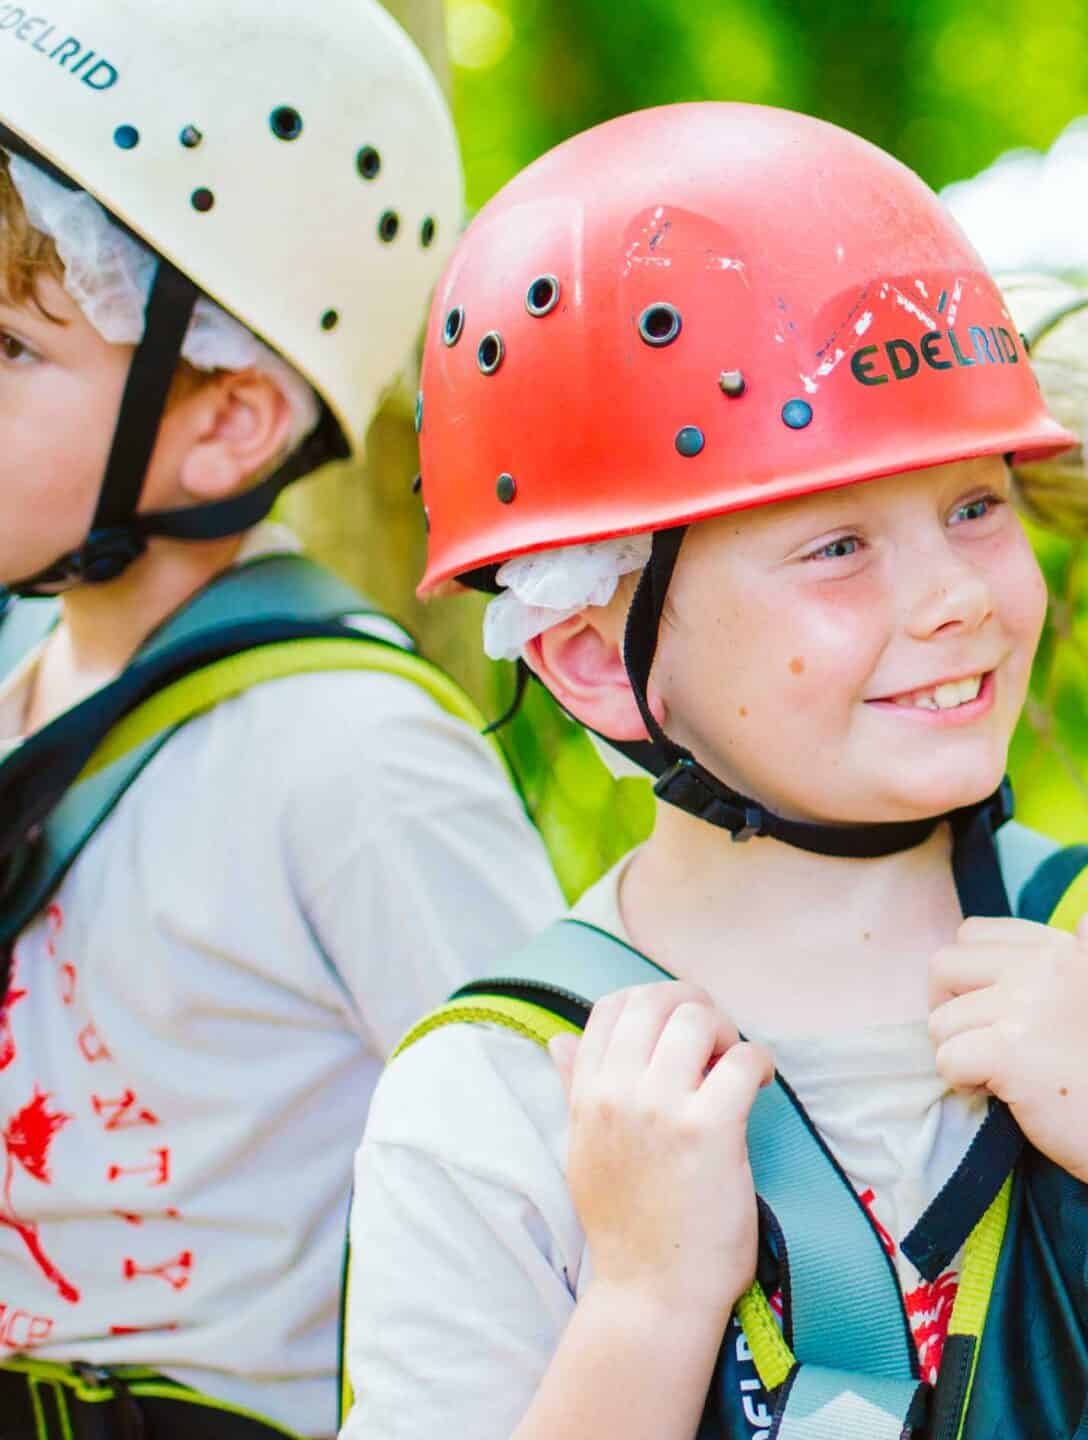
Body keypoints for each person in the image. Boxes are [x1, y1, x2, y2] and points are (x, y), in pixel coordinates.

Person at [337, 101, 1088, 1440]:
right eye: (835, 546)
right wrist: (647, 1304)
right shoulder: (503, 1097)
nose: (956, 596)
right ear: (598, 656)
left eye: (976, 506)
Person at [0, 0, 559, 1433]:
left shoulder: (352, 762)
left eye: (10, 351)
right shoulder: (26, 670)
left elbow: (563, 1199)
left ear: (227, 423)